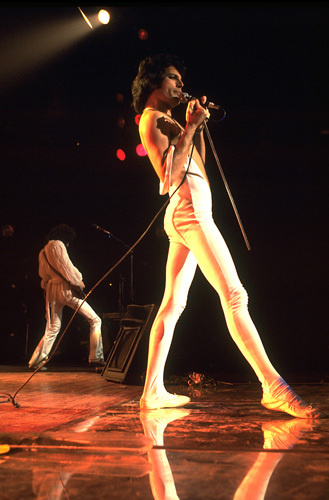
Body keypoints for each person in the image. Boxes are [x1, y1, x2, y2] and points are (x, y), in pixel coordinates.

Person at [131, 53, 324, 418]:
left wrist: (197, 127)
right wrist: (188, 127)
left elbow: (195, 162)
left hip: (189, 214)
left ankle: (152, 391)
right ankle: (273, 387)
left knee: (173, 304)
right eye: (173, 78)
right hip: (190, 213)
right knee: (235, 295)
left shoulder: (170, 120)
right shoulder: (151, 119)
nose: (180, 84)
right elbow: (170, 174)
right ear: (154, 82)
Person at [28, 224, 104, 370]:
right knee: (95, 320)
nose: (68, 244)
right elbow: (66, 267)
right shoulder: (58, 245)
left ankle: (35, 361)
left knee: (52, 327)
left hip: (51, 291)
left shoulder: (43, 251)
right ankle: (96, 357)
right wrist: (78, 281)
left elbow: (43, 275)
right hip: (65, 290)